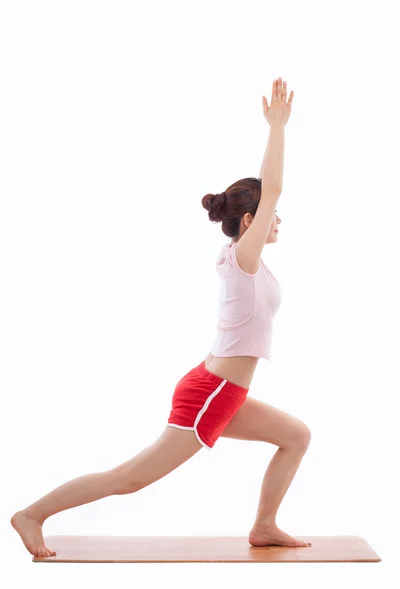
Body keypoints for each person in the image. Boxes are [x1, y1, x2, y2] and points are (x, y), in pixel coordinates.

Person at [11, 76, 312, 558]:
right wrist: (277, 128)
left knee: (296, 435)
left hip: (223, 388)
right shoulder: (243, 257)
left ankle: (265, 525)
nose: (280, 220)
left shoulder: (248, 262)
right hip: (212, 392)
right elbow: (272, 189)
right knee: (129, 479)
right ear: (251, 223)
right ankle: (31, 515)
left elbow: (271, 200)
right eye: (273, 215)